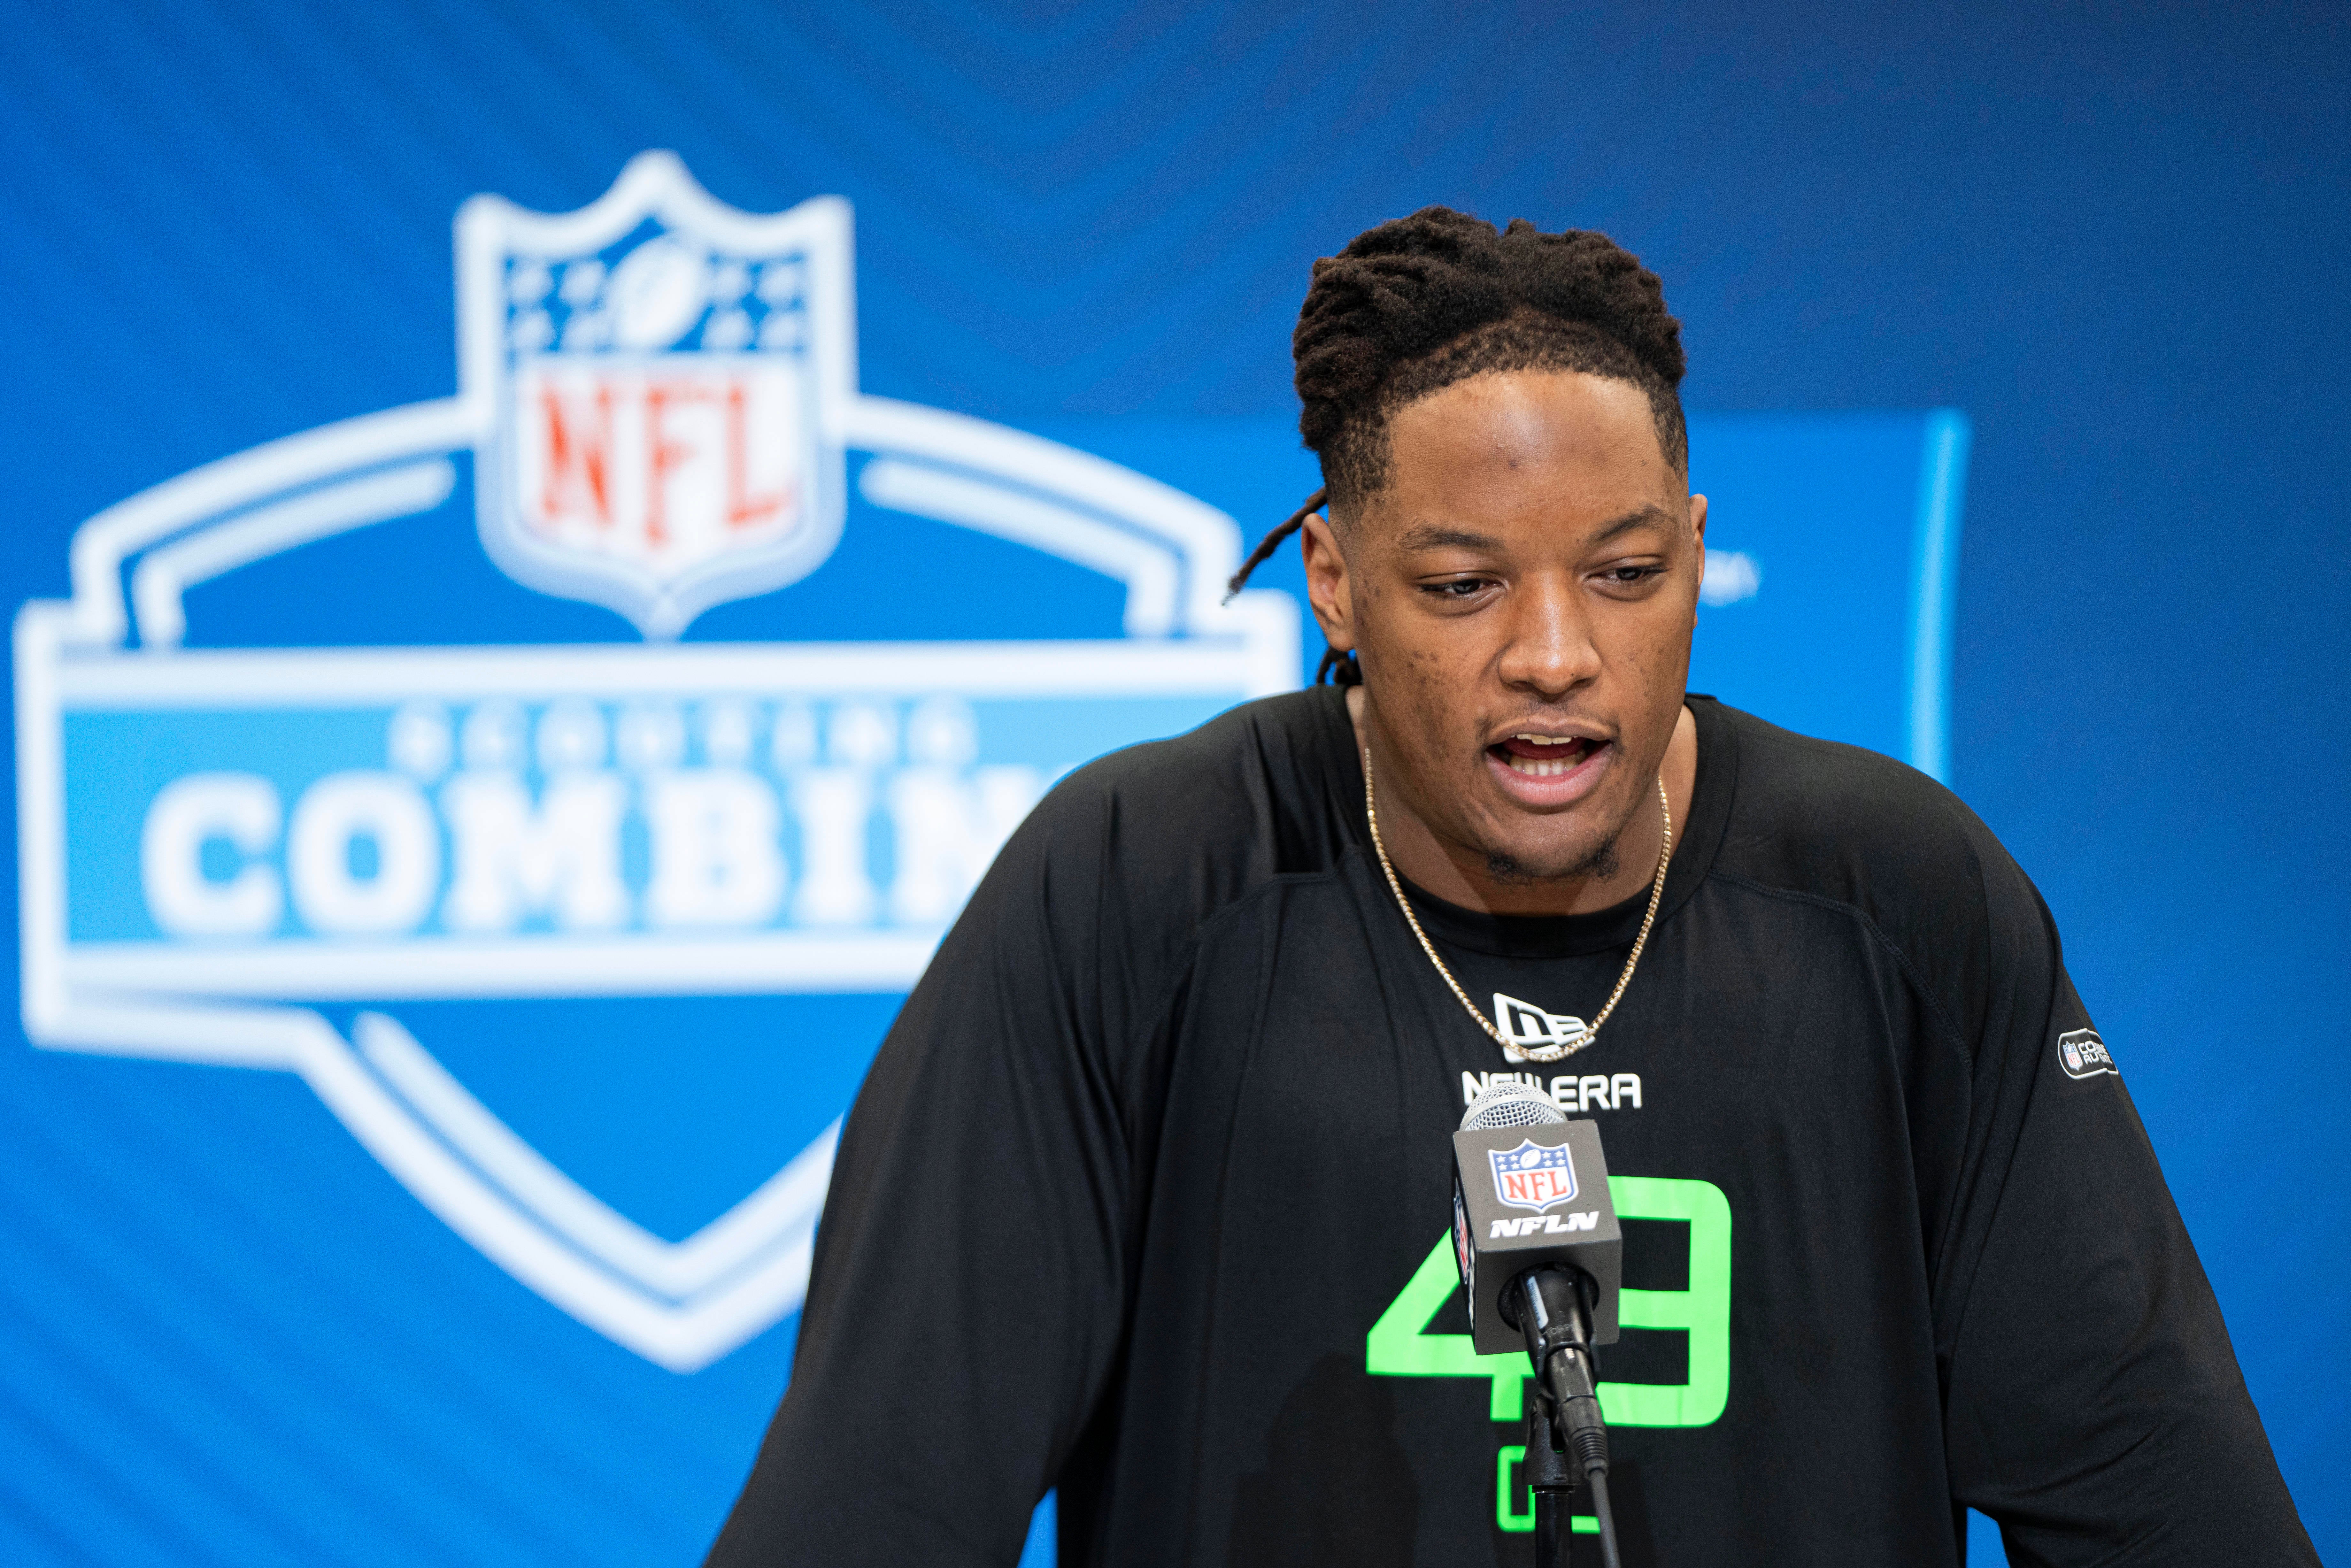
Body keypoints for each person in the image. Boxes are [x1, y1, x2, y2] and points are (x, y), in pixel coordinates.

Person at [706, 209, 2314, 1566]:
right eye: (1462, 585)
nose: (1554, 656)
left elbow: (2156, 1495)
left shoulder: (1895, 895)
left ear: (1694, 551)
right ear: (1332, 579)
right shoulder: (1139, 885)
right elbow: (877, 1503)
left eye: (1625, 575)